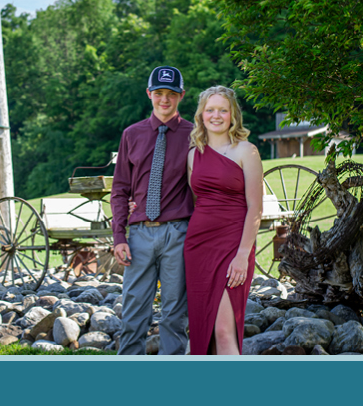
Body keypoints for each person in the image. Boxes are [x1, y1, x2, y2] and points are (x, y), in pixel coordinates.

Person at [110, 65, 195, 355]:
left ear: (181, 96)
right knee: (134, 312)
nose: (164, 100)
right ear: (149, 94)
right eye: (158, 93)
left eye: (171, 94)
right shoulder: (131, 135)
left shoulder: (194, 135)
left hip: (178, 233)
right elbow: (120, 189)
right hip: (140, 236)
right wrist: (119, 236)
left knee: (174, 314)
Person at [183, 85, 263, 354]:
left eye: (222, 110)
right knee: (203, 328)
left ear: (232, 115)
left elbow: (255, 208)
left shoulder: (246, 151)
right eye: (210, 110)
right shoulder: (193, 155)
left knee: (224, 331)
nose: (216, 115)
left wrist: (243, 254)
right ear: (201, 116)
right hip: (198, 248)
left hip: (234, 246)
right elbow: (198, 201)